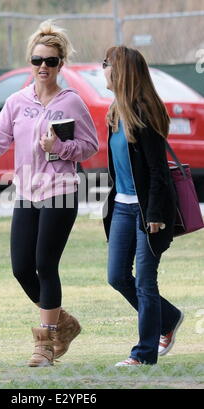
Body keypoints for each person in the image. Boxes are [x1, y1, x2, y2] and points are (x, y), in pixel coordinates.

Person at [0, 20, 98, 367]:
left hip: (60, 191)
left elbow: (90, 146)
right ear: (30, 63)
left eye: (50, 61)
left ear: (61, 64)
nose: (43, 67)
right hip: (26, 192)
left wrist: (61, 146)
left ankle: (44, 344)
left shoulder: (72, 102)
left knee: (45, 264)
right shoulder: (17, 102)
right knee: (21, 267)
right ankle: (64, 323)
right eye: (37, 61)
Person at [102, 46, 184, 366]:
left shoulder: (143, 114)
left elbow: (158, 172)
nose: (103, 69)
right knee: (117, 276)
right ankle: (169, 317)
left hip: (147, 210)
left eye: (106, 64)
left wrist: (154, 215)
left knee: (145, 282)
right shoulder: (114, 113)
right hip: (122, 207)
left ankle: (144, 355)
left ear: (120, 70)